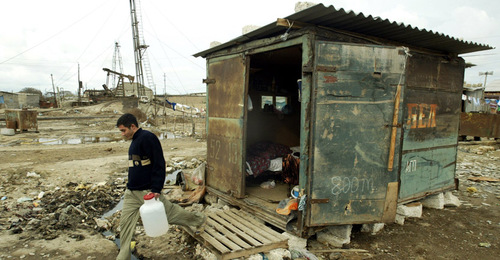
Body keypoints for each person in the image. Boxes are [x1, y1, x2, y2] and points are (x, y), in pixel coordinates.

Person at [115, 113, 206, 260]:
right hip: (131, 192)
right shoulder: (135, 141)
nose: (122, 134)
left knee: (170, 214)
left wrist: (156, 189)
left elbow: (159, 163)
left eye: (123, 130)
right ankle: (123, 257)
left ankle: (198, 219)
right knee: (125, 225)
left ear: (132, 126)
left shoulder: (147, 138)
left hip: (147, 192)